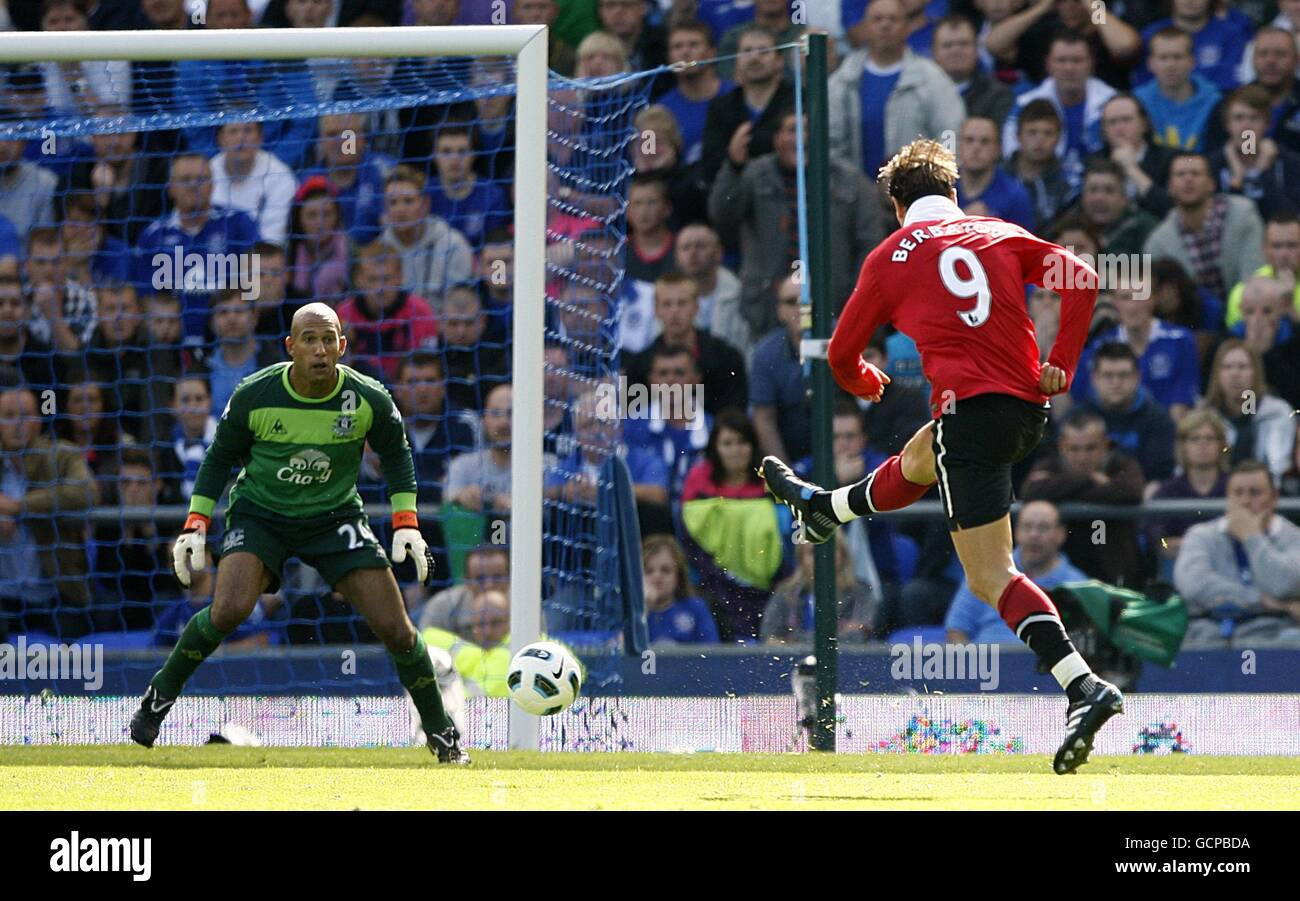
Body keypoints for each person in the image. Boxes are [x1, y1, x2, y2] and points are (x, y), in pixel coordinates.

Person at [758, 137, 1124, 775]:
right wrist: (1061, 361)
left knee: (990, 577)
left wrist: (870, 384)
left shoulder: (887, 259)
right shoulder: (997, 230)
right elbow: (1085, 278)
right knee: (925, 451)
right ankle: (826, 508)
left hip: (972, 416)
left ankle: (1082, 687)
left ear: (897, 207)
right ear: (953, 196)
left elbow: (842, 357)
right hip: (1025, 412)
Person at [129, 302, 468, 764]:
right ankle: (159, 698)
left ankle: (442, 735)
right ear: (291, 347)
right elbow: (218, 459)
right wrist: (195, 524)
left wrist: (406, 522)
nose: (320, 349)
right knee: (228, 609)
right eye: (309, 339)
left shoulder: (369, 398)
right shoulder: (255, 394)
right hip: (260, 516)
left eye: (329, 340)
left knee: (397, 628)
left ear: (342, 346)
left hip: (334, 519)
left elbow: (396, 454)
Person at [680, 408, 787, 640]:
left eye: (742, 442)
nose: (736, 450)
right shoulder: (699, 479)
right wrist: (723, 578)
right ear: (715, 448)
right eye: (727, 443)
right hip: (714, 585)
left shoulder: (771, 480)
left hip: (768, 588)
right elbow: (691, 537)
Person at [827, 0, 964, 178]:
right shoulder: (843, 80)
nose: (885, 25)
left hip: (916, 193)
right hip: (854, 197)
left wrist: (934, 178)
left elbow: (950, 132)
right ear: (866, 27)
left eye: (893, 19)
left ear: (907, 27)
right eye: (878, 19)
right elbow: (829, 142)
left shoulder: (933, 79)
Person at [0, 386, 95, 639]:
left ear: (39, 420)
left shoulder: (62, 454)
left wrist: (19, 507)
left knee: (74, 659)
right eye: (8, 416)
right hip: (4, 596)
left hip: (57, 593)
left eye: (25, 415)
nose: (18, 424)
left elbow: (85, 491)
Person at [1173, 459, 1300, 647]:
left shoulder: (1293, 537)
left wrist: (1252, 536)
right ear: (1228, 498)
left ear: (1274, 498)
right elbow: (1194, 586)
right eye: (1237, 493)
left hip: (1275, 633)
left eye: (1255, 493)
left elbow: (1284, 585)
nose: (1245, 501)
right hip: (1208, 631)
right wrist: (1264, 601)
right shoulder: (1200, 535)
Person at [1020, 408, 1146, 587]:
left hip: (1112, 565)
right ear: (1062, 446)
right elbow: (1031, 491)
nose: (1082, 457)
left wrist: (1061, 487)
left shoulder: (1121, 464)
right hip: (1063, 569)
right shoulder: (1049, 464)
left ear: (1105, 444)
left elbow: (1130, 491)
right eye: (1074, 449)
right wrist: (1091, 479)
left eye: (1090, 448)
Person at [945, 500, 1088, 644]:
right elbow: (956, 630)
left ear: (1061, 534)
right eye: (1027, 527)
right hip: (988, 663)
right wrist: (973, 665)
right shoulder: (986, 570)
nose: (1034, 535)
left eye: (1043, 528)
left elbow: (1082, 644)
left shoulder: (1078, 585)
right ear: (1015, 531)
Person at [1143, 152, 1266, 308]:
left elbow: (1254, 275)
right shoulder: (1157, 242)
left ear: (1211, 183)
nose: (1188, 179)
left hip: (1246, 313)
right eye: (1180, 175)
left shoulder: (1243, 214)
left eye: (1196, 173)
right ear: (1170, 187)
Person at [1146, 407, 1230, 579]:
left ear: (1221, 445)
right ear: (1182, 446)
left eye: (1209, 438)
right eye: (1195, 439)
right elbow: (1161, 542)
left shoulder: (1236, 489)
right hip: (1180, 568)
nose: (1203, 444)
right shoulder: (1167, 492)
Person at [1078, 341, 1177, 484]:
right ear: (1094, 379)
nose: (1116, 382)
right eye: (1108, 375)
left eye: (1123, 375)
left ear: (1137, 377)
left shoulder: (1158, 420)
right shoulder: (1077, 417)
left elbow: (1161, 475)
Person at [1200, 338, 1296, 482]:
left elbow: (1279, 465)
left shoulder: (1278, 413)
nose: (1235, 374)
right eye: (1227, 367)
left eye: (1242, 367)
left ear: (1255, 372)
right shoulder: (1203, 417)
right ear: (1217, 375)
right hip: (1214, 496)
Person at [762, 540, 876, 644]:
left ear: (843, 556)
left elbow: (858, 637)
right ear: (801, 559)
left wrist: (794, 639)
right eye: (813, 552)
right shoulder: (786, 592)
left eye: (830, 550)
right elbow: (769, 637)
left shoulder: (861, 592)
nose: (822, 557)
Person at [1133, 27, 1221, 153]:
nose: (1170, 65)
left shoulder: (1215, 102)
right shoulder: (1137, 102)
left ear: (1192, 61)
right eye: (1163, 58)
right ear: (1150, 63)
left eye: (1178, 57)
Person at [641, 534, 719, 644]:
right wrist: (644, 608)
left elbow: (713, 653)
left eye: (665, 570)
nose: (657, 577)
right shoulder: (626, 613)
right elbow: (616, 651)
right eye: (649, 571)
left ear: (678, 575)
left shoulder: (695, 608)